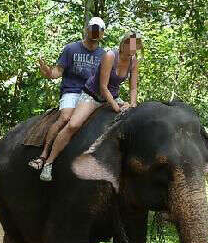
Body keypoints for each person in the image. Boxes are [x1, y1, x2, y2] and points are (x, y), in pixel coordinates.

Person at [39, 32, 142, 182]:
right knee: (73, 124)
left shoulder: (134, 62)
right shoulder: (110, 56)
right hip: (93, 95)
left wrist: (132, 104)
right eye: (130, 44)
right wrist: (116, 107)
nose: (133, 48)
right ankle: (49, 162)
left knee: (134, 119)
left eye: (136, 45)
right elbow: (103, 87)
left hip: (112, 96)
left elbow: (133, 88)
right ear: (123, 44)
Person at [28, 17, 107, 170]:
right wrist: (49, 73)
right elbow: (58, 71)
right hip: (72, 91)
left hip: (92, 95)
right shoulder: (71, 49)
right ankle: (43, 156)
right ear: (87, 29)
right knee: (65, 118)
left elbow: (104, 81)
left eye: (99, 30)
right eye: (93, 28)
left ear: (102, 34)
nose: (95, 32)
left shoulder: (104, 55)